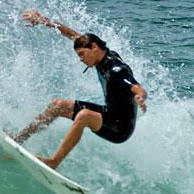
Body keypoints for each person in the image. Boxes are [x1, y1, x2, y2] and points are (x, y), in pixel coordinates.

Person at [13, 9, 148, 169]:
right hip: (108, 114)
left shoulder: (116, 69)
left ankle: (53, 162)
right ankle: (18, 139)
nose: (81, 59)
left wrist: (140, 98)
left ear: (94, 47)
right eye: (79, 55)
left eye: (82, 55)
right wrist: (46, 22)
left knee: (84, 116)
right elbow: (73, 35)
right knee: (57, 105)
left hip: (120, 128)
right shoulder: (99, 55)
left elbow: (137, 88)